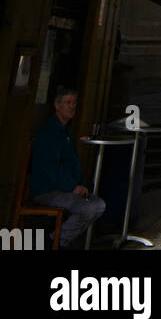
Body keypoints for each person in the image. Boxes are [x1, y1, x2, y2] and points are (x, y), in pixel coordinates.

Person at [30, 86, 106, 248]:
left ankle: (56, 239)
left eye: (74, 103)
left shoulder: (66, 132)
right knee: (88, 209)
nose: (72, 106)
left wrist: (80, 184)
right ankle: (53, 242)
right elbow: (51, 168)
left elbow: (73, 163)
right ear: (57, 106)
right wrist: (72, 187)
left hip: (65, 188)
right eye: (68, 102)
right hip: (48, 190)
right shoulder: (49, 132)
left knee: (99, 205)